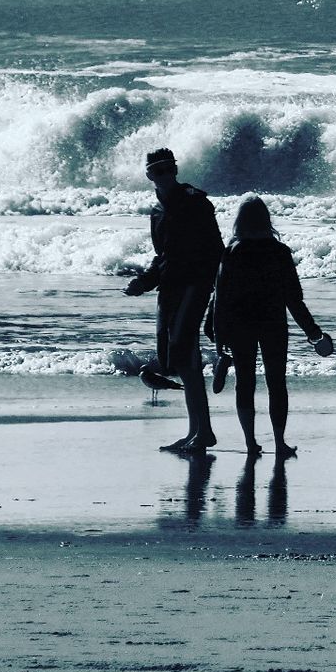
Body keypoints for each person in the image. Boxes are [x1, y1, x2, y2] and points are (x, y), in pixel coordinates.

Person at [209, 195, 329, 458]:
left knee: (245, 383)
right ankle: (280, 442)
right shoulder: (280, 252)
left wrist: (218, 337)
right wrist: (314, 334)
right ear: (267, 220)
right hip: (273, 323)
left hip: (240, 325)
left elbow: (220, 298)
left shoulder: (231, 251)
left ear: (239, 221)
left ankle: (250, 443)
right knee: (276, 384)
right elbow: (294, 299)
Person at [124, 148, 224, 453]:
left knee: (184, 357)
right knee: (175, 361)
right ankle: (197, 431)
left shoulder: (196, 201)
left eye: (170, 169)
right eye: (159, 171)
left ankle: (203, 432)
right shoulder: (156, 212)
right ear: (150, 175)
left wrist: (215, 292)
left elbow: (217, 249)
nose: (165, 175)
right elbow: (162, 257)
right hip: (169, 288)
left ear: (175, 171)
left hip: (194, 285)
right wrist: (144, 282)